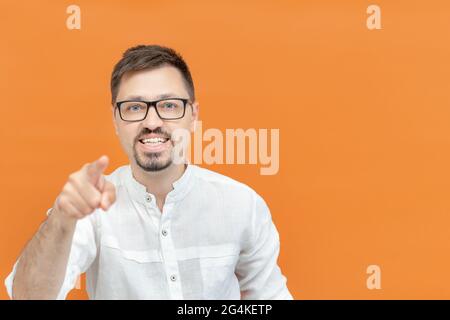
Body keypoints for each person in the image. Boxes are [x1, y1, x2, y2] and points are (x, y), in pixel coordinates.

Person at [5, 45, 293, 300]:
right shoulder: (89, 208)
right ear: (116, 119)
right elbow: (27, 297)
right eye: (134, 107)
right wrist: (62, 218)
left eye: (169, 105)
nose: (152, 121)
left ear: (193, 116)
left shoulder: (242, 204)